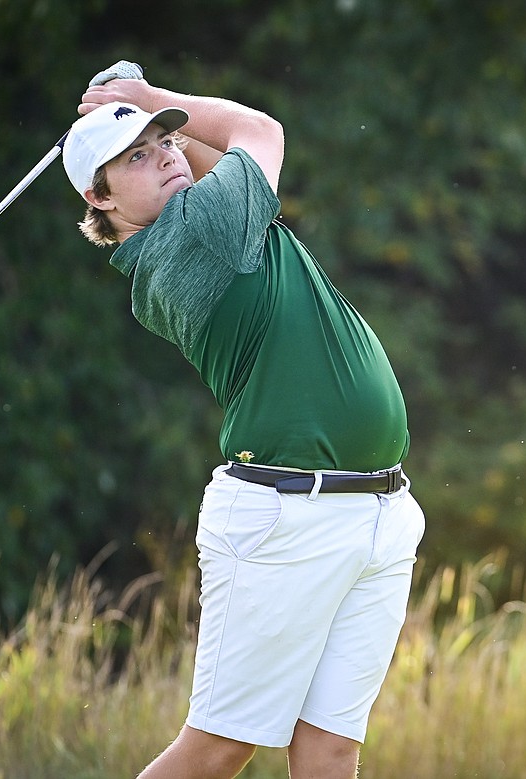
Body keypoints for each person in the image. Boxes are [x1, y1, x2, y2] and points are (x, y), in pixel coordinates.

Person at [62, 62, 425, 779]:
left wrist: (144, 108)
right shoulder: (194, 236)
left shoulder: (208, 219)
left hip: (377, 508)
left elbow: (216, 157)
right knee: (218, 747)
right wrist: (152, 97)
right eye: (136, 155)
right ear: (98, 196)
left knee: (330, 745)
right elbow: (256, 133)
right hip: (286, 515)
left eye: (163, 143)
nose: (164, 154)